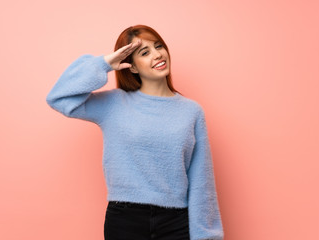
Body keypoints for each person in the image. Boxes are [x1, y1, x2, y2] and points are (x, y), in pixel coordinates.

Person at [46, 24, 224, 240]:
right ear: (132, 67)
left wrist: (206, 236)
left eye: (159, 46)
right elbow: (59, 97)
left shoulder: (191, 111)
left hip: (176, 221)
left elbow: (201, 181)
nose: (157, 55)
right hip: (125, 220)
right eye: (145, 52)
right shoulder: (114, 104)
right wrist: (103, 64)